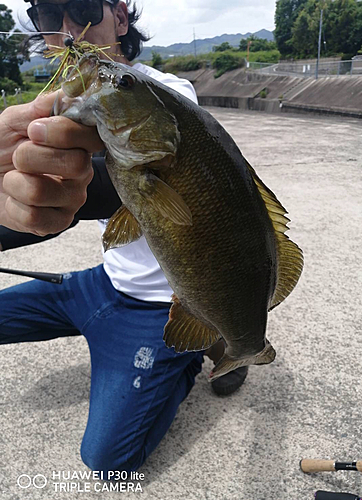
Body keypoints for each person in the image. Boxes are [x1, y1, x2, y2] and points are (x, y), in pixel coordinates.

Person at [0, 0, 248, 475]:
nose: (72, 30)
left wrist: (57, 192)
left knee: (107, 462)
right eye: (51, 17)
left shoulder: (164, 93)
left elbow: (100, 190)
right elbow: (30, 197)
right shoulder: (66, 106)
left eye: (85, 7)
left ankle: (195, 346)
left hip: (160, 307)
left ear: (120, 16)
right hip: (103, 283)